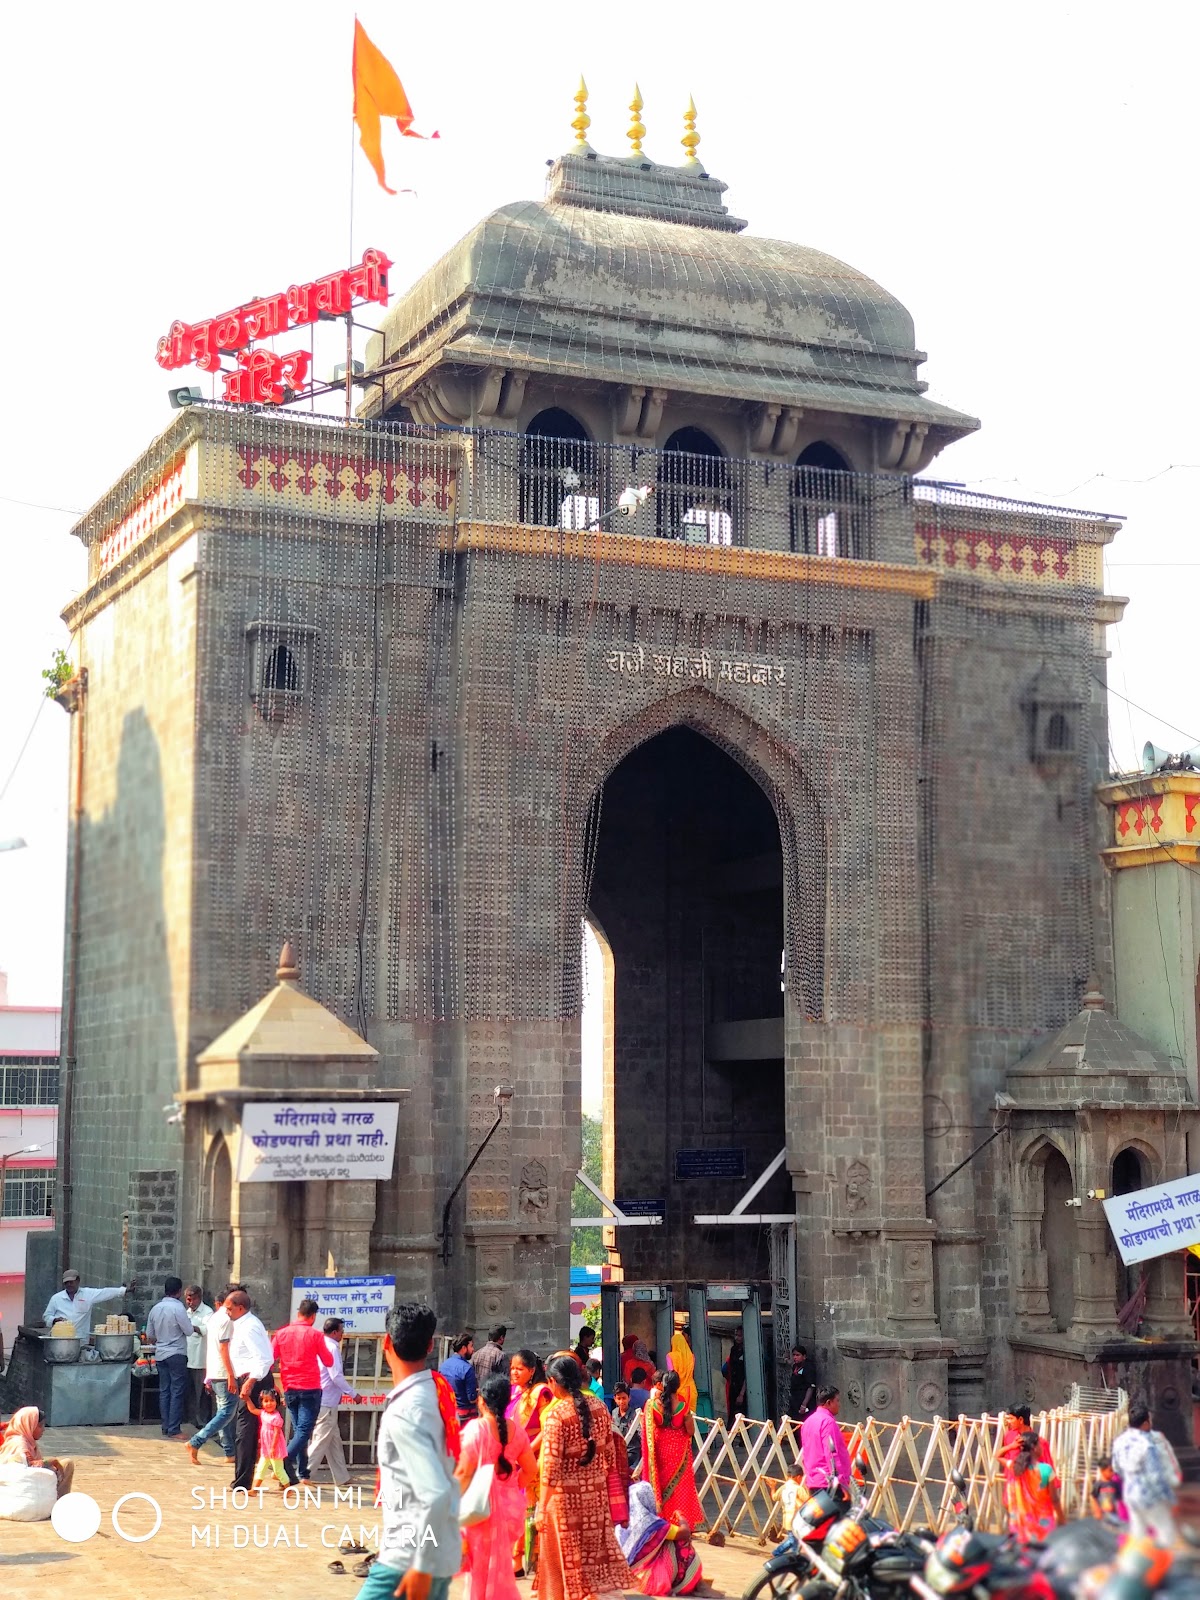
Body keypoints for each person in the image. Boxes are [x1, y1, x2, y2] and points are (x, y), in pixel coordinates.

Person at [355, 1301, 460, 1600]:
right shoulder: (436, 1392)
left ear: (386, 1342)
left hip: (408, 1558)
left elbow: (436, 1491)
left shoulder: (406, 1408)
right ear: (430, 1345)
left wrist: (421, 1567)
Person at [536, 1352, 631, 1600]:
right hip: (596, 1501)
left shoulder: (557, 1416)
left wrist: (541, 1507)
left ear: (554, 1382)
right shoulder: (601, 1407)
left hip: (564, 1503)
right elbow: (610, 1456)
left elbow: (550, 1469)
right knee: (591, 1568)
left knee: (562, 1567)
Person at [457, 1373, 538, 1600]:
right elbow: (531, 1469)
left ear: (482, 1400)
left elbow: (463, 1473)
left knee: (479, 1572)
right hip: (510, 1510)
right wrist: (511, 1488)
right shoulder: (517, 1430)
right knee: (498, 1569)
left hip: (481, 1510)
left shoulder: (477, 1429)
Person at [272, 1294, 334, 1484]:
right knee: (304, 1432)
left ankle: (303, 1473)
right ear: (313, 1316)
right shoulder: (315, 1335)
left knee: (300, 1431)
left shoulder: (281, 1334)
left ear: (298, 1313)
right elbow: (328, 1361)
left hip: (289, 1386)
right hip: (310, 1387)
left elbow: (270, 1358)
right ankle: (282, 1463)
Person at [225, 1289, 277, 1491]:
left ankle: (242, 1481)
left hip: (255, 1380)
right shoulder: (242, 1324)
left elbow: (263, 1358)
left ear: (240, 1308)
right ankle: (285, 1474)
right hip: (249, 1378)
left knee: (245, 1431)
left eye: (230, 1309)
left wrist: (250, 1381)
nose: (227, 1312)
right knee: (260, 1428)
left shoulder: (249, 1327)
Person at [617, 1479, 703, 1597]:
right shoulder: (652, 1524)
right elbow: (685, 1533)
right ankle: (692, 1582)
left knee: (662, 1539)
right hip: (650, 1582)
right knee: (680, 1543)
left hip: (626, 1578)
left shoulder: (622, 1524)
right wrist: (681, 1516)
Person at [508, 1348, 552, 1578]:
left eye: (520, 1369)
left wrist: (526, 1450)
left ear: (532, 1371)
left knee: (531, 1511)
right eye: (512, 1368)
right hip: (514, 1458)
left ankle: (533, 1562)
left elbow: (547, 1429)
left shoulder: (541, 1393)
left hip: (534, 1459)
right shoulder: (514, 1393)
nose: (514, 1372)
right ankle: (515, 1561)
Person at [1111, 1403, 1182, 1545]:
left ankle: (1139, 1563)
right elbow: (1156, 1476)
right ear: (1145, 1423)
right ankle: (1163, 1564)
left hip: (1131, 1495)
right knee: (1165, 1533)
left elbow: (1116, 1468)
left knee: (1138, 1534)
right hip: (1150, 1496)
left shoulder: (1119, 1442)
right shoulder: (1146, 1444)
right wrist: (1171, 1500)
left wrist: (1132, 1478)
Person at [643, 1370, 704, 1529]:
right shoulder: (683, 1407)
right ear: (678, 1386)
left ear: (662, 1385)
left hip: (660, 1451)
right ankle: (681, 1522)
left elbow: (649, 1428)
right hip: (679, 1453)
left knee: (661, 1486)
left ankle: (663, 1520)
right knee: (681, 1488)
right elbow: (690, 1431)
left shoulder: (653, 1405)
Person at [307, 1316, 362, 1488]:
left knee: (333, 1440)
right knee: (321, 1440)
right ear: (335, 1332)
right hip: (327, 1401)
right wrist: (353, 1393)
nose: (342, 1334)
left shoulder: (320, 1344)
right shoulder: (331, 1347)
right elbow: (336, 1376)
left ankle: (342, 1476)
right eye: (341, 1331)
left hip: (321, 1398)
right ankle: (301, 1473)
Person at [188, 1284, 240, 1464]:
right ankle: (197, 1441)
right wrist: (231, 1375)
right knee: (226, 1412)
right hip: (224, 1372)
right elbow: (224, 1348)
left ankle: (229, 1452)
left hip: (215, 1370)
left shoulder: (214, 1318)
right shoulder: (225, 1320)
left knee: (224, 1413)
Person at [144, 1275, 194, 1440]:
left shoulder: (155, 1309)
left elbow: (150, 1335)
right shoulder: (178, 1308)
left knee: (164, 1391)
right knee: (177, 1391)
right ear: (179, 1292)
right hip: (176, 1353)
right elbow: (188, 1331)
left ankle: (166, 1426)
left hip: (160, 1353)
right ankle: (173, 1428)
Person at [1002, 1429, 1065, 1542]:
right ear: (1034, 1448)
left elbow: (997, 1456)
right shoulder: (1046, 1470)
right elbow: (1054, 1499)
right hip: (1043, 1524)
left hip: (1021, 1525)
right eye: (1040, 1444)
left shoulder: (1016, 1468)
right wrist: (1061, 1519)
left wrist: (1012, 1446)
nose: (1042, 1447)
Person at [0, 1406, 74, 1497]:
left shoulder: (27, 1441)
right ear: (29, 1425)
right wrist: (49, 1462)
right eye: (39, 1426)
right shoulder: (19, 1444)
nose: (43, 1429)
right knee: (65, 1465)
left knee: (66, 1465)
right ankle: (56, 1502)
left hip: (31, 1484)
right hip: (22, 1489)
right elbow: (25, 1468)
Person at [799, 1386, 852, 1507]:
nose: (839, 1404)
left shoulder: (808, 1422)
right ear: (829, 1402)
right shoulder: (828, 1422)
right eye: (837, 1400)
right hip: (829, 1482)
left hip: (813, 1481)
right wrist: (842, 1483)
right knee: (839, 1523)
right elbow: (832, 1454)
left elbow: (806, 1452)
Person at [42, 1268, 132, 1338]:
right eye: (66, 1283)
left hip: (81, 1340)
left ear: (78, 1281)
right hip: (59, 1340)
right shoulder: (56, 1298)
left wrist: (124, 1290)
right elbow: (46, 1316)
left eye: (71, 1282)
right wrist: (54, 1320)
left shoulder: (87, 1294)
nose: (69, 1285)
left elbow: (105, 1292)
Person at [244, 1386, 289, 1491]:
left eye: (272, 1400)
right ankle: (255, 1489)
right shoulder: (263, 1413)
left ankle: (288, 1488)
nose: (269, 1403)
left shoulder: (276, 1417)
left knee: (278, 1470)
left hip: (275, 1448)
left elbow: (277, 1433)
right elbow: (253, 1409)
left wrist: (273, 1448)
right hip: (266, 1447)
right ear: (262, 1403)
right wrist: (247, 1399)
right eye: (266, 1401)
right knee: (261, 1468)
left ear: (276, 1402)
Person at [184, 1284, 214, 1427]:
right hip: (187, 1357)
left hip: (200, 1359)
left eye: (192, 1299)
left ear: (199, 1298)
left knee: (201, 1394)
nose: (190, 1303)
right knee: (189, 1393)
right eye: (188, 1300)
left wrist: (192, 1328)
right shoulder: (187, 1312)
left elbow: (207, 1330)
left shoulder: (207, 1313)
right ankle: (191, 1419)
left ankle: (202, 1421)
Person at [442, 1331, 479, 1425]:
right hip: (466, 1416)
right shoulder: (467, 1368)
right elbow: (472, 1398)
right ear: (463, 1348)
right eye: (471, 1346)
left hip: (448, 1412)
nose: (473, 1349)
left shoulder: (444, 1365)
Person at [611, 1381, 644, 1478]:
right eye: (619, 1398)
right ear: (615, 1399)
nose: (621, 1401)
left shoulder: (635, 1415)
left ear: (629, 1398)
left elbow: (641, 1434)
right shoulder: (613, 1413)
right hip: (617, 1454)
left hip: (632, 1454)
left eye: (624, 1398)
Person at [668, 1333, 697, 1417]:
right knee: (691, 1419)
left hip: (677, 1391)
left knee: (678, 1419)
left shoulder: (670, 1356)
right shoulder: (691, 1356)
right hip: (691, 1390)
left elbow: (671, 1375)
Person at [1090, 1456, 1127, 1521]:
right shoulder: (1098, 1484)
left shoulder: (1114, 1484)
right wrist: (1097, 1511)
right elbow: (1093, 1497)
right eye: (1110, 1470)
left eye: (1113, 1470)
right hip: (1103, 1514)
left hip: (1114, 1514)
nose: (1112, 1473)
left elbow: (1119, 1499)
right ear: (1102, 1471)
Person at [722, 1329, 746, 1424]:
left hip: (742, 1387)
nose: (737, 1338)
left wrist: (741, 1394)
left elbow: (746, 1375)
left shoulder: (746, 1351)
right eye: (736, 1335)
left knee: (742, 1415)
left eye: (740, 1336)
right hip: (733, 1386)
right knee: (731, 1415)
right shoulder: (733, 1349)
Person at [787, 1345, 817, 1420]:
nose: (795, 1357)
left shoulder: (808, 1368)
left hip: (805, 1402)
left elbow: (811, 1387)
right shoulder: (796, 1366)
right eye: (794, 1355)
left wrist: (804, 1404)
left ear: (804, 1356)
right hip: (795, 1400)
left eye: (798, 1355)